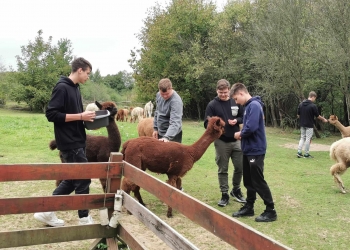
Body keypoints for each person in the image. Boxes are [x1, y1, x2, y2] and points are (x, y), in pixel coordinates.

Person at [34, 57, 96, 227]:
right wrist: (80, 116)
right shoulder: (62, 87)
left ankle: (46, 211)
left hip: (77, 140)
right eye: (88, 73)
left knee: (71, 179)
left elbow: (74, 114)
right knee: (83, 178)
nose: (88, 77)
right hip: (69, 142)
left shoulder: (75, 88)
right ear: (80, 70)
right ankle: (84, 218)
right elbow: (51, 114)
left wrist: (86, 119)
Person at [230, 82, 277, 222]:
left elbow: (251, 127)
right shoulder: (248, 106)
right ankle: (249, 206)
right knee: (249, 180)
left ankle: (271, 210)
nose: (236, 102)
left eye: (236, 99)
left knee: (258, 180)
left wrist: (239, 134)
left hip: (256, 149)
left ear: (241, 93)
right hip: (248, 149)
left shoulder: (254, 106)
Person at [204, 79, 245, 207]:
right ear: (217, 91)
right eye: (220, 92)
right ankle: (224, 194)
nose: (223, 94)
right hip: (221, 141)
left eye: (225, 92)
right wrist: (215, 124)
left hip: (237, 140)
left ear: (229, 90)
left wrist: (236, 120)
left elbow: (243, 116)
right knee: (223, 169)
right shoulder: (212, 105)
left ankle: (236, 190)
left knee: (240, 167)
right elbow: (206, 123)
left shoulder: (235, 100)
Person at [297, 91, 328, 158]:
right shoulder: (313, 106)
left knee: (302, 138)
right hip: (309, 125)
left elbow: (298, 115)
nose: (315, 100)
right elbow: (318, 116)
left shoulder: (301, 104)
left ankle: (299, 152)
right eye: (315, 98)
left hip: (302, 124)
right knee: (308, 139)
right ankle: (306, 154)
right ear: (313, 97)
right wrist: (323, 119)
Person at [152, 78, 183, 143]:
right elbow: (157, 112)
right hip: (160, 133)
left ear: (171, 88)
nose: (165, 96)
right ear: (159, 90)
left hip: (173, 135)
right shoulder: (158, 95)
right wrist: (155, 129)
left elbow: (175, 122)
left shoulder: (176, 101)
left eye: (167, 94)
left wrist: (167, 137)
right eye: (162, 94)